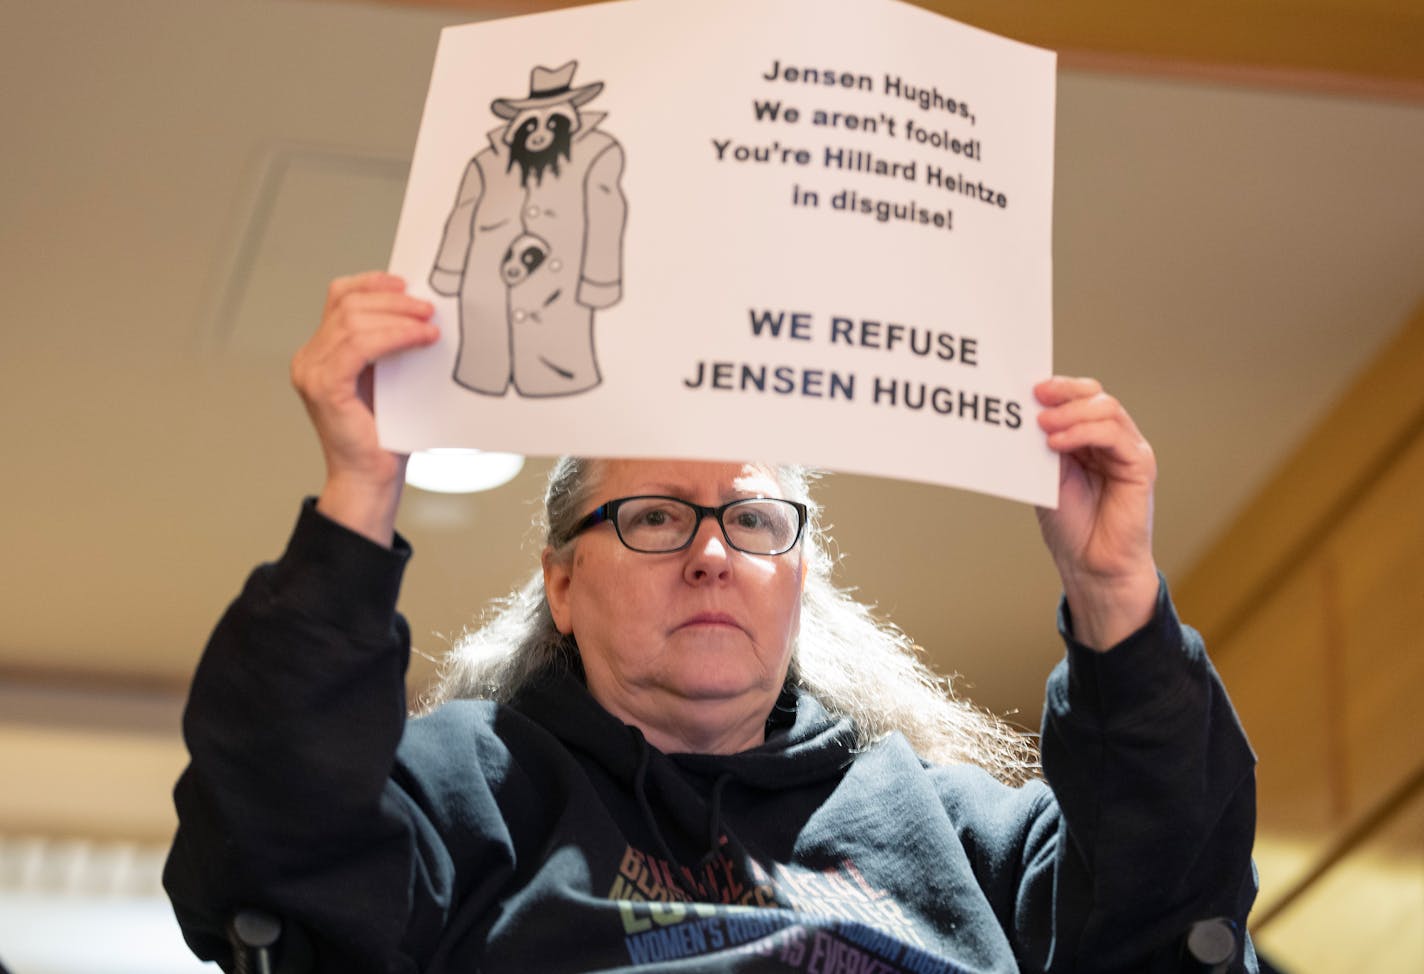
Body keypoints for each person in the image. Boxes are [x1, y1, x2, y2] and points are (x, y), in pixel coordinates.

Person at [164, 272, 1259, 973]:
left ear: (798, 571)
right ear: (559, 579)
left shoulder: (966, 833)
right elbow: (268, 837)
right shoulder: (458, 793)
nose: (710, 552)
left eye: (751, 516)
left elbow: (1173, 915)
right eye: (649, 516)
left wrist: (1113, 592)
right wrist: (357, 495)